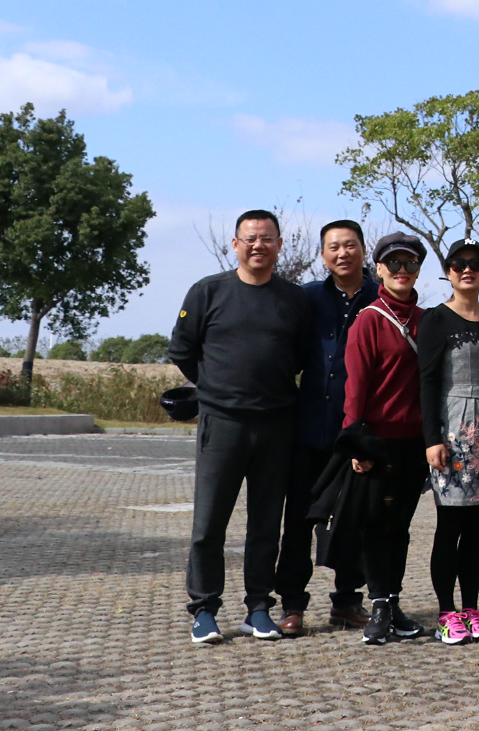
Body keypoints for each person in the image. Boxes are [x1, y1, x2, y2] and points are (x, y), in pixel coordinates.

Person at [169, 210, 314, 645]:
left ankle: (258, 608)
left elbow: (302, 355)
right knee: (208, 524)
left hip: (277, 425)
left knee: (266, 525)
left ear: (279, 245)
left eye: (266, 238)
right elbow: (183, 349)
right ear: (235, 244)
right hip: (222, 423)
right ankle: (204, 610)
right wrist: (216, 387)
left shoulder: (294, 299)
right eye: (250, 238)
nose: (258, 245)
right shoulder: (208, 291)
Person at [276, 218, 378, 636]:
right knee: (299, 521)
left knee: (355, 520)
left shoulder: (380, 297)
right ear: (322, 255)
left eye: (350, 245)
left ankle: (347, 602)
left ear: (363, 250)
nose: (342, 253)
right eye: (333, 247)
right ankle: (292, 605)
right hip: (309, 428)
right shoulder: (307, 297)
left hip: (358, 432)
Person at [342, 232, 432, 646]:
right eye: (393, 263)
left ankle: (393, 603)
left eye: (410, 264)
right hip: (378, 442)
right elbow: (356, 387)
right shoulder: (369, 319)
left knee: (401, 527)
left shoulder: (427, 320)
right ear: (378, 269)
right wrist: (355, 442)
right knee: (376, 526)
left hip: (416, 441)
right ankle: (377, 605)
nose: (402, 271)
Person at [418, 238, 479, 646]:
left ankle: (471, 608)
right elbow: (426, 381)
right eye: (458, 264)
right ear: (448, 271)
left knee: (477, 529)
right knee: (449, 525)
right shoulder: (435, 319)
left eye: (475, 263)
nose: (467, 269)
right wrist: (431, 439)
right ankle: (446, 612)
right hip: (452, 433)